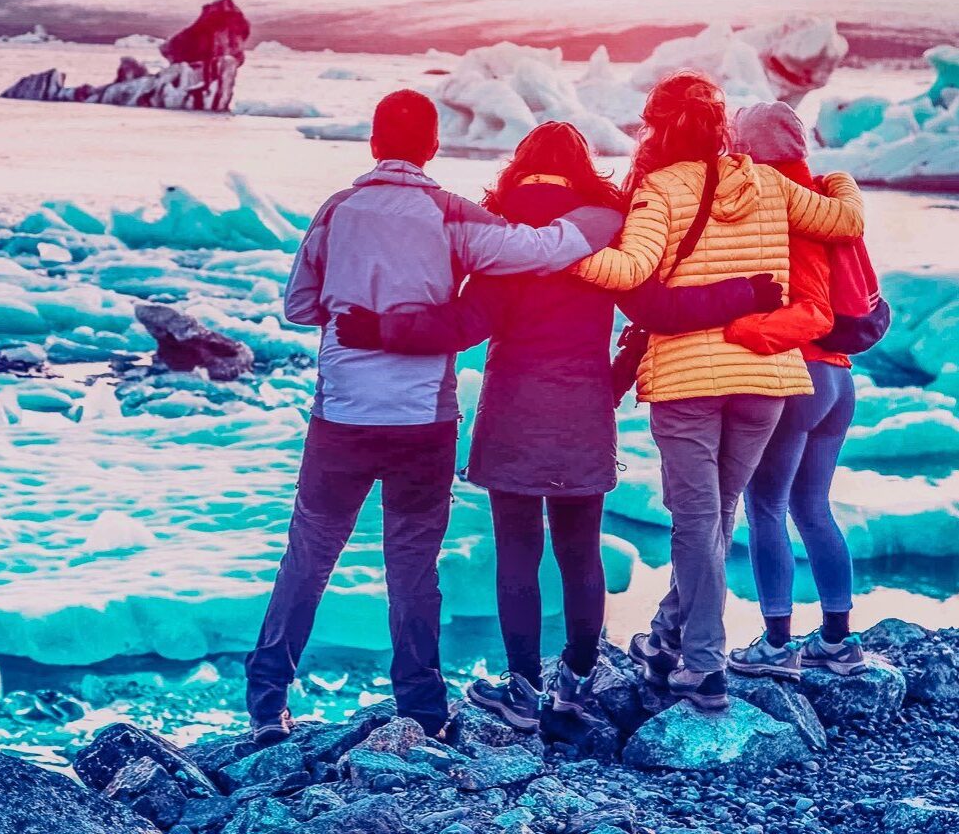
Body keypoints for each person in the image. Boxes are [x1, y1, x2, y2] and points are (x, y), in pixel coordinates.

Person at [333, 120, 781, 734]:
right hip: (582, 411)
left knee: (517, 553)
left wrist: (378, 330)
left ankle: (521, 692)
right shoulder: (605, 224)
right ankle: (574, 686)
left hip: (513, 409)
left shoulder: (502, 228)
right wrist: (745, 292)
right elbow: (658, 311)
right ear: (582, 165)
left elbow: (463, 325)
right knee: (580, 554)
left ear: (521, 164)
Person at [244, 90, 618, 746]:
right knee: (412, 564)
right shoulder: (450, 216)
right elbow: (540, 249)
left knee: (308, 551)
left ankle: (267, 698)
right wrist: (606, 217)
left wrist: (356, 306)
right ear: (431, 148)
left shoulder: (336, 211)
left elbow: (299, 307)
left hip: (342, 413)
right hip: (421, 420)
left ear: (372, 143)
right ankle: (420, 706)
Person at [572, 72, 866, 712]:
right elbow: (843, 218)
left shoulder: (658, 189)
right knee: (716, 516)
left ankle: (704, 666)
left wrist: (557, 251)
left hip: (688, 382)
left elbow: (629, 271)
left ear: (658, 127)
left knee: (697, 521)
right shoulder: (768, 181)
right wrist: (839, 177)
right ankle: (665, 636)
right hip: (765, 381)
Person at [723, 102, 877, 680]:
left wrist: (739, 330)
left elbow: (808, 310)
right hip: (840, 378)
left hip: (800, 375)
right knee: (812, 507)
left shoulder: (783, 207)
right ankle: (838, 639)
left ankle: (776, 643)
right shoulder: (831, 202)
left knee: (765, 507)